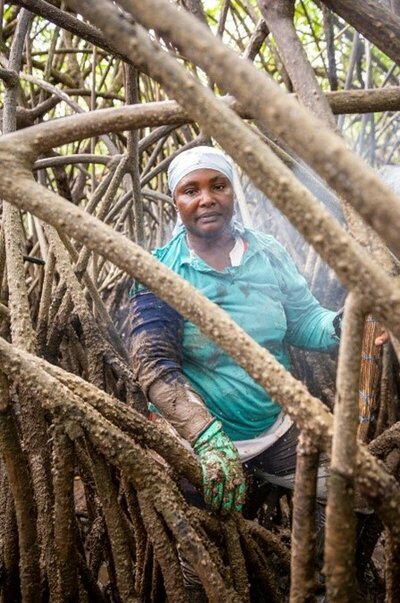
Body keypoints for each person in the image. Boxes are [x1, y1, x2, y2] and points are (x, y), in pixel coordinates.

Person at [130, 145, 344, 517]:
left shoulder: (267, 252)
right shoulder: (158, 271)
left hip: (276, 429)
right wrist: (205, 435)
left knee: (344, 503)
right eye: (191, 190)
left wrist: (342, 326)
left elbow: (306, 321)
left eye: (218, 186)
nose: (207, 199)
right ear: (175, 201)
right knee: (201, 559)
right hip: (198, 442)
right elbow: (154, 365)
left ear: (233, 192)